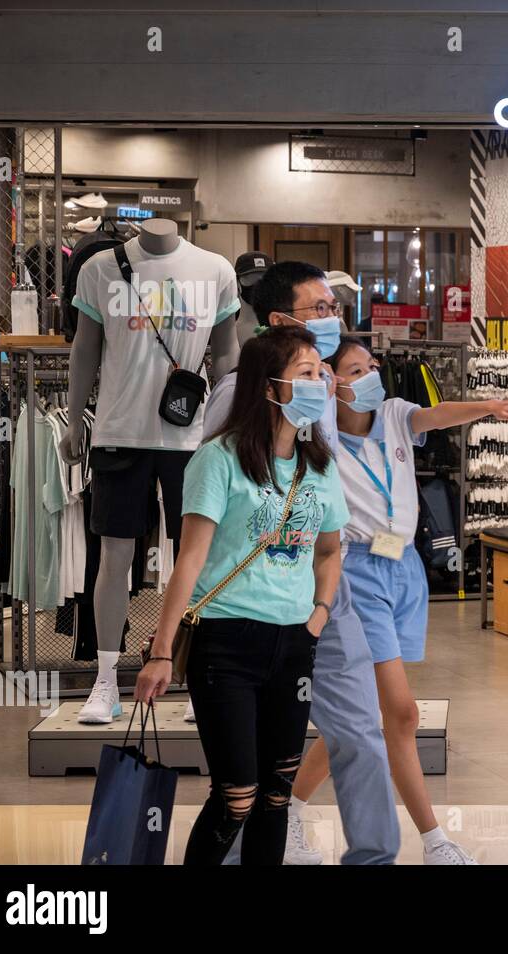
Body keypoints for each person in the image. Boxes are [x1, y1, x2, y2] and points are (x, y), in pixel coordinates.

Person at [285, 336, 508, 865]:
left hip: (405, 571)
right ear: (333, 382)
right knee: (401, 714)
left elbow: (437, 415)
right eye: (355, 369)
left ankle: (289, 809)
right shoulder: (320, 426)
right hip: (355, 573)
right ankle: (433, 838)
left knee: (362, 717)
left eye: (373, 365)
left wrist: (490, 406)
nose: (371, 374)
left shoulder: (394, 414)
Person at [203, 262, 401, 865]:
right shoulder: (234, 395)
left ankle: (373, 856)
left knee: (362, 729)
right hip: (254, 604)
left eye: (332, 306)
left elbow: (329, 494)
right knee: (253, 767)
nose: (332, 317)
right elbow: (212, 509)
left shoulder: (320, 387)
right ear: (281, 320)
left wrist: (321, 604)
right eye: (318, 308)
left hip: (321, 590)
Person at [135, 326, 349, 864]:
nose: (320, 383)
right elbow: (190, 558)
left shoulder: (319, 466)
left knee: (276, 797)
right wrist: (161, 653)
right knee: (237, 797)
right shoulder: (218, 459)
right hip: (225, 645)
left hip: (294, 642)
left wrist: (318, 616)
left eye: (322, 373)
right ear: (269, 386)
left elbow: (329, 551)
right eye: (306, 373)